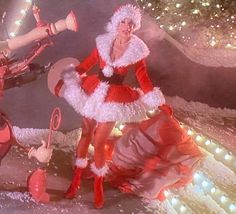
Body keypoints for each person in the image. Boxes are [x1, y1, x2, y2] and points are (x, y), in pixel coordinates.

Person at [54, 4, 165, 208]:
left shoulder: (137, 50)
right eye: (123, 21)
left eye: (131, 23)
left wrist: (158, 101)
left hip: (114, 97)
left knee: (99, 141)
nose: (127, 26)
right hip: (94, 91)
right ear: (117, 23)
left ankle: (98, 187)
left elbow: (143, 78)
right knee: (86, 135)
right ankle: (75, 182)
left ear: (135, 26)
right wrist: (65, 79)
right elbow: (85, 65)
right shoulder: (103, 42)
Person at [107, 104, 203, 200]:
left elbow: (155, 179)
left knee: (159, 174)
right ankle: (133, 166)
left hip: (178, 156)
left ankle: (135, 166)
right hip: (154, 147)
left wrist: (159, 161)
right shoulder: (127, 150)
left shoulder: (171, 162)